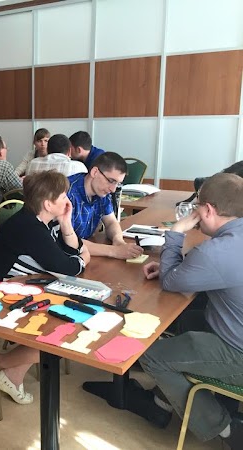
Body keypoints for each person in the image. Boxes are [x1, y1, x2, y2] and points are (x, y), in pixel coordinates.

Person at [137, 173, 243, 448]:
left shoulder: (216, 251)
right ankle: (163, 401)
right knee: (187, 319)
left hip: (238, 353)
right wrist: (179, 267)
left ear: (207, 210)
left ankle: (225, 429)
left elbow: (171, 282)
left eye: (196, 206)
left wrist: (175, 231)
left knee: (151, 356)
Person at [0, 171, 90, 404]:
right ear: (48, 204)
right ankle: (2, 363)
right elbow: (69, 267)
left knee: (68, 321)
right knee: (63, 332)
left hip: (18, 288)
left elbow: (67, 253)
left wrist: (66, 223)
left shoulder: (41, 221)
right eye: (63, 196)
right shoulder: (30, 228)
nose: (68, 200)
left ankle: (9, 371)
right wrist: (83, 258)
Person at [67, 152, 143, 259]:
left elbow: (111, 222)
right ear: (95, 172)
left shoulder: (102, 192)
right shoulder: (67, 192)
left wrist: (118, 241)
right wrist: (115, 251)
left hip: (85, 255)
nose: (113, 189)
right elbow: (69, 241)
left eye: (117, 183)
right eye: (111, 181)